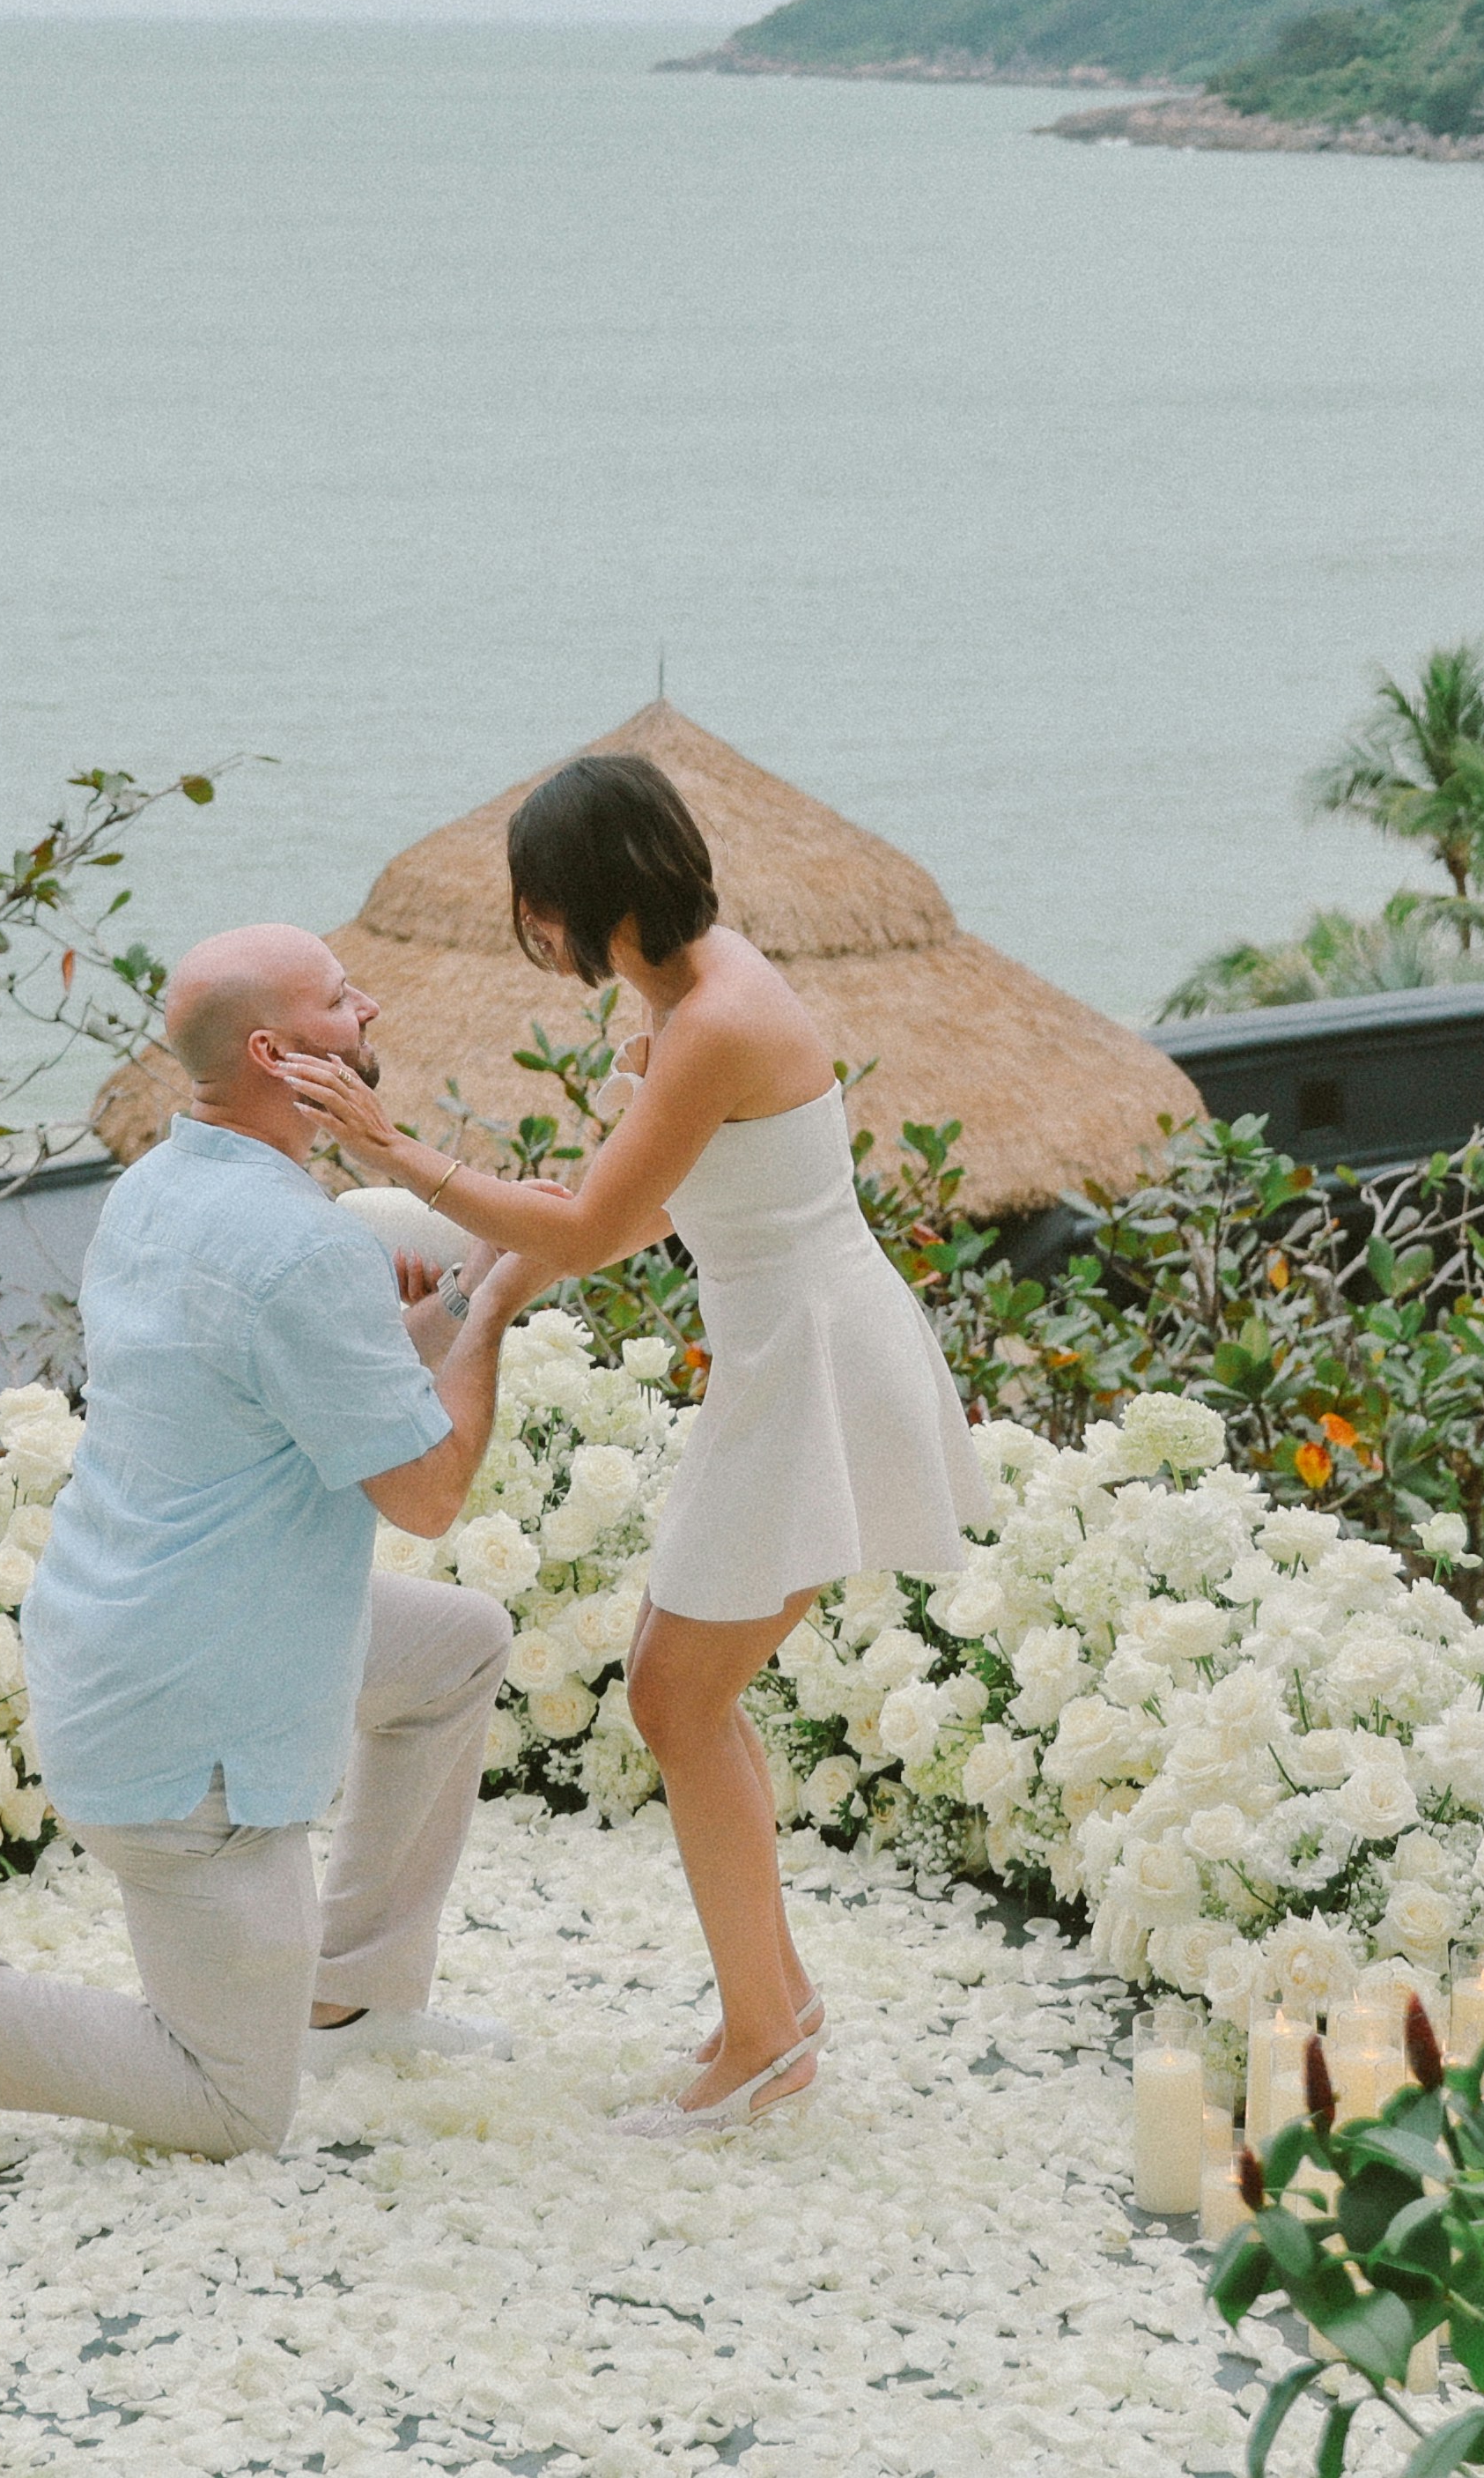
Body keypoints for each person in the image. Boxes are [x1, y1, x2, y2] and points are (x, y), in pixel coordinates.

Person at [278, 747, 971, 2138]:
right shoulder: (684, 1000)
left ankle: (767, 2038)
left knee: (675, 1695)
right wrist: (481, 1287)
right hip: (796, 1355)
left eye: (535, 906)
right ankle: (776, 2007)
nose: (528, 936)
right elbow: (636, 1205)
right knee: (684, 1687)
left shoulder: (714, 1013)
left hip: (811, 1361)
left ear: (585, 896)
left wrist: (394, 1151)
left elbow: (595, 1220)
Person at [0, 919, 528, 2166]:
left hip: (136, 1637)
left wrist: (434, 1314)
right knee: (230, 2107)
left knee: (456, 1648)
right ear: (280, 1053)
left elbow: (332, 1402)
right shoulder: (301, 1248)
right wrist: (494, 1306)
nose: (372, 1006)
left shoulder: (160, 1190)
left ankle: (352, 1994)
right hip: (194, 1732)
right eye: (344, 1000)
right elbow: (430, 1493)